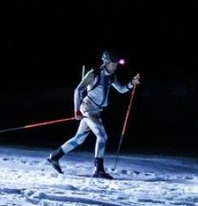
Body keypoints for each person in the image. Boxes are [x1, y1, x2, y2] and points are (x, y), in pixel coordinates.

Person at [47, 50, 140, 179]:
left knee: (79, 139)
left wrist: (132, 84)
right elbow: (78, 90)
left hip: (96, 111)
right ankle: (99, 170)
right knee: (102, 136)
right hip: (87, 108)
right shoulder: (94, 73)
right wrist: (76, 111)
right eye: (114, 64)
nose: (116, 67)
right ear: (106, 63)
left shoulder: (112, 76)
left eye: (116, 65)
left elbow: (121, 90)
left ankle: (54, 157)